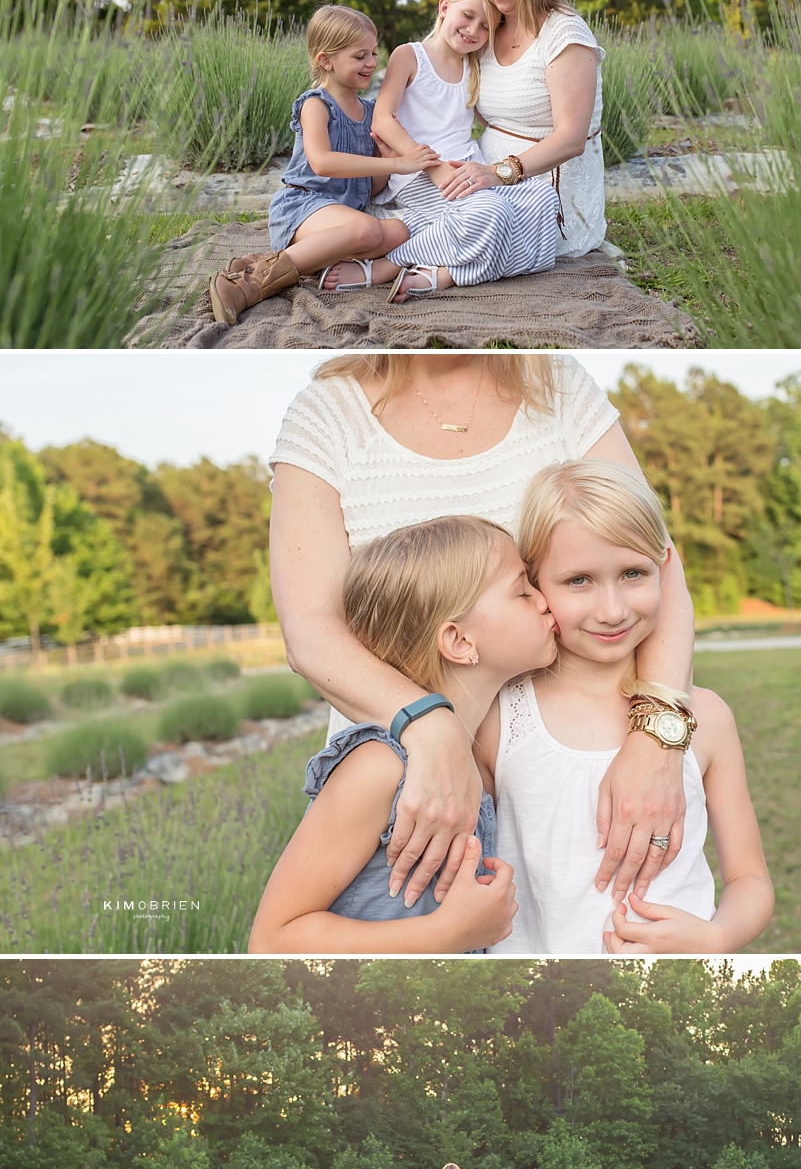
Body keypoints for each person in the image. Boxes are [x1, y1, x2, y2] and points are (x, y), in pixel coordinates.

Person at [269, 353, 696, 911]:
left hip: (570, 763)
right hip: (420, 788)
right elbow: (309, 629)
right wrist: (433, 731)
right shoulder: (327, 412)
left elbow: (658, 561)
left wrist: (656, 741)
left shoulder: (558, 384)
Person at [479, 458, 774, 955]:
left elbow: (750, 877)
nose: (613, 609)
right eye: (579, 581)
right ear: (535, 584)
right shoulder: (498, 719)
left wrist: (717, 935)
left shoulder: (709, 720)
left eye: (633, 573)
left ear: (663, 568)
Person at [248, 513, 556, 955]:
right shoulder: (380, 767)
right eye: (523, 590)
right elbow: (271, 941)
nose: (544, 600)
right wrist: (447, 935)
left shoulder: (477, 759)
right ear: (459, 642)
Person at [322, 0, 559, 301]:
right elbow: (382, 119)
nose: (474, 30)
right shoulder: (410, 56)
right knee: (493, 215)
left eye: (487, 27)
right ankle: (388, 266)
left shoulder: (473, 66)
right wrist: (432, 166)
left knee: (542, 200)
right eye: (468, 16)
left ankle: (445, 271)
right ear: (445, 7)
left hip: (466, 168)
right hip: (418, 173)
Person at [209, 5, 425, 326]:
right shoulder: (316, 104)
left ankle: (313, 258)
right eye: (359, 56)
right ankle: (250, 282)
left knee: (399, 231)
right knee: (366, 228)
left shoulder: (370, 112)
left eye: (374, 53)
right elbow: (322, 163)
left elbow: (371, 185)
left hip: (347, 215)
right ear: (326, 60)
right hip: (303, 208)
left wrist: (388, 163)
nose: (370, 63)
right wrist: (404, 162)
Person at [465, 0, 606, 255]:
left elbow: (572, 138)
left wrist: (500, 173)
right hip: (487, 178)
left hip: (548, 196)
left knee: (471, 236)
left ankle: (405, 271)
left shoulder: (565, 34)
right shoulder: (489, 28)